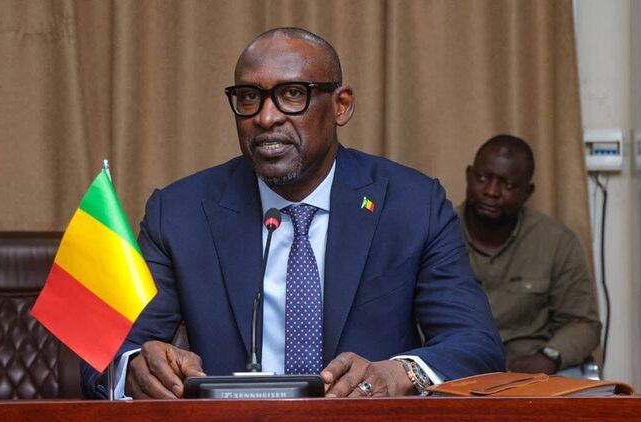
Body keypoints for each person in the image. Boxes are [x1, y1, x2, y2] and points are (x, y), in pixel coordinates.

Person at [81, 27, 504, 399]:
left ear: (341, 105)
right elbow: (106, 352)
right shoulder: (180, 212)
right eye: (249, 97)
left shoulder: (412, 204)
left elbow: (476, 344)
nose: (266, 117)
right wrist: (137, 369)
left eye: (292, 95)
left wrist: (398, 374)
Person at [458, 134, 601, 374]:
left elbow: (582, 323)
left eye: (507, 185)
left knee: (573, 389)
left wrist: (548, 358)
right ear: (469, 176)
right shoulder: (437, 233)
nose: (491, 191)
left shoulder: (556, 241)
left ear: (527, 192)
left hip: (532, 369)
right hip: (457, 368)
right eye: (482, 178)